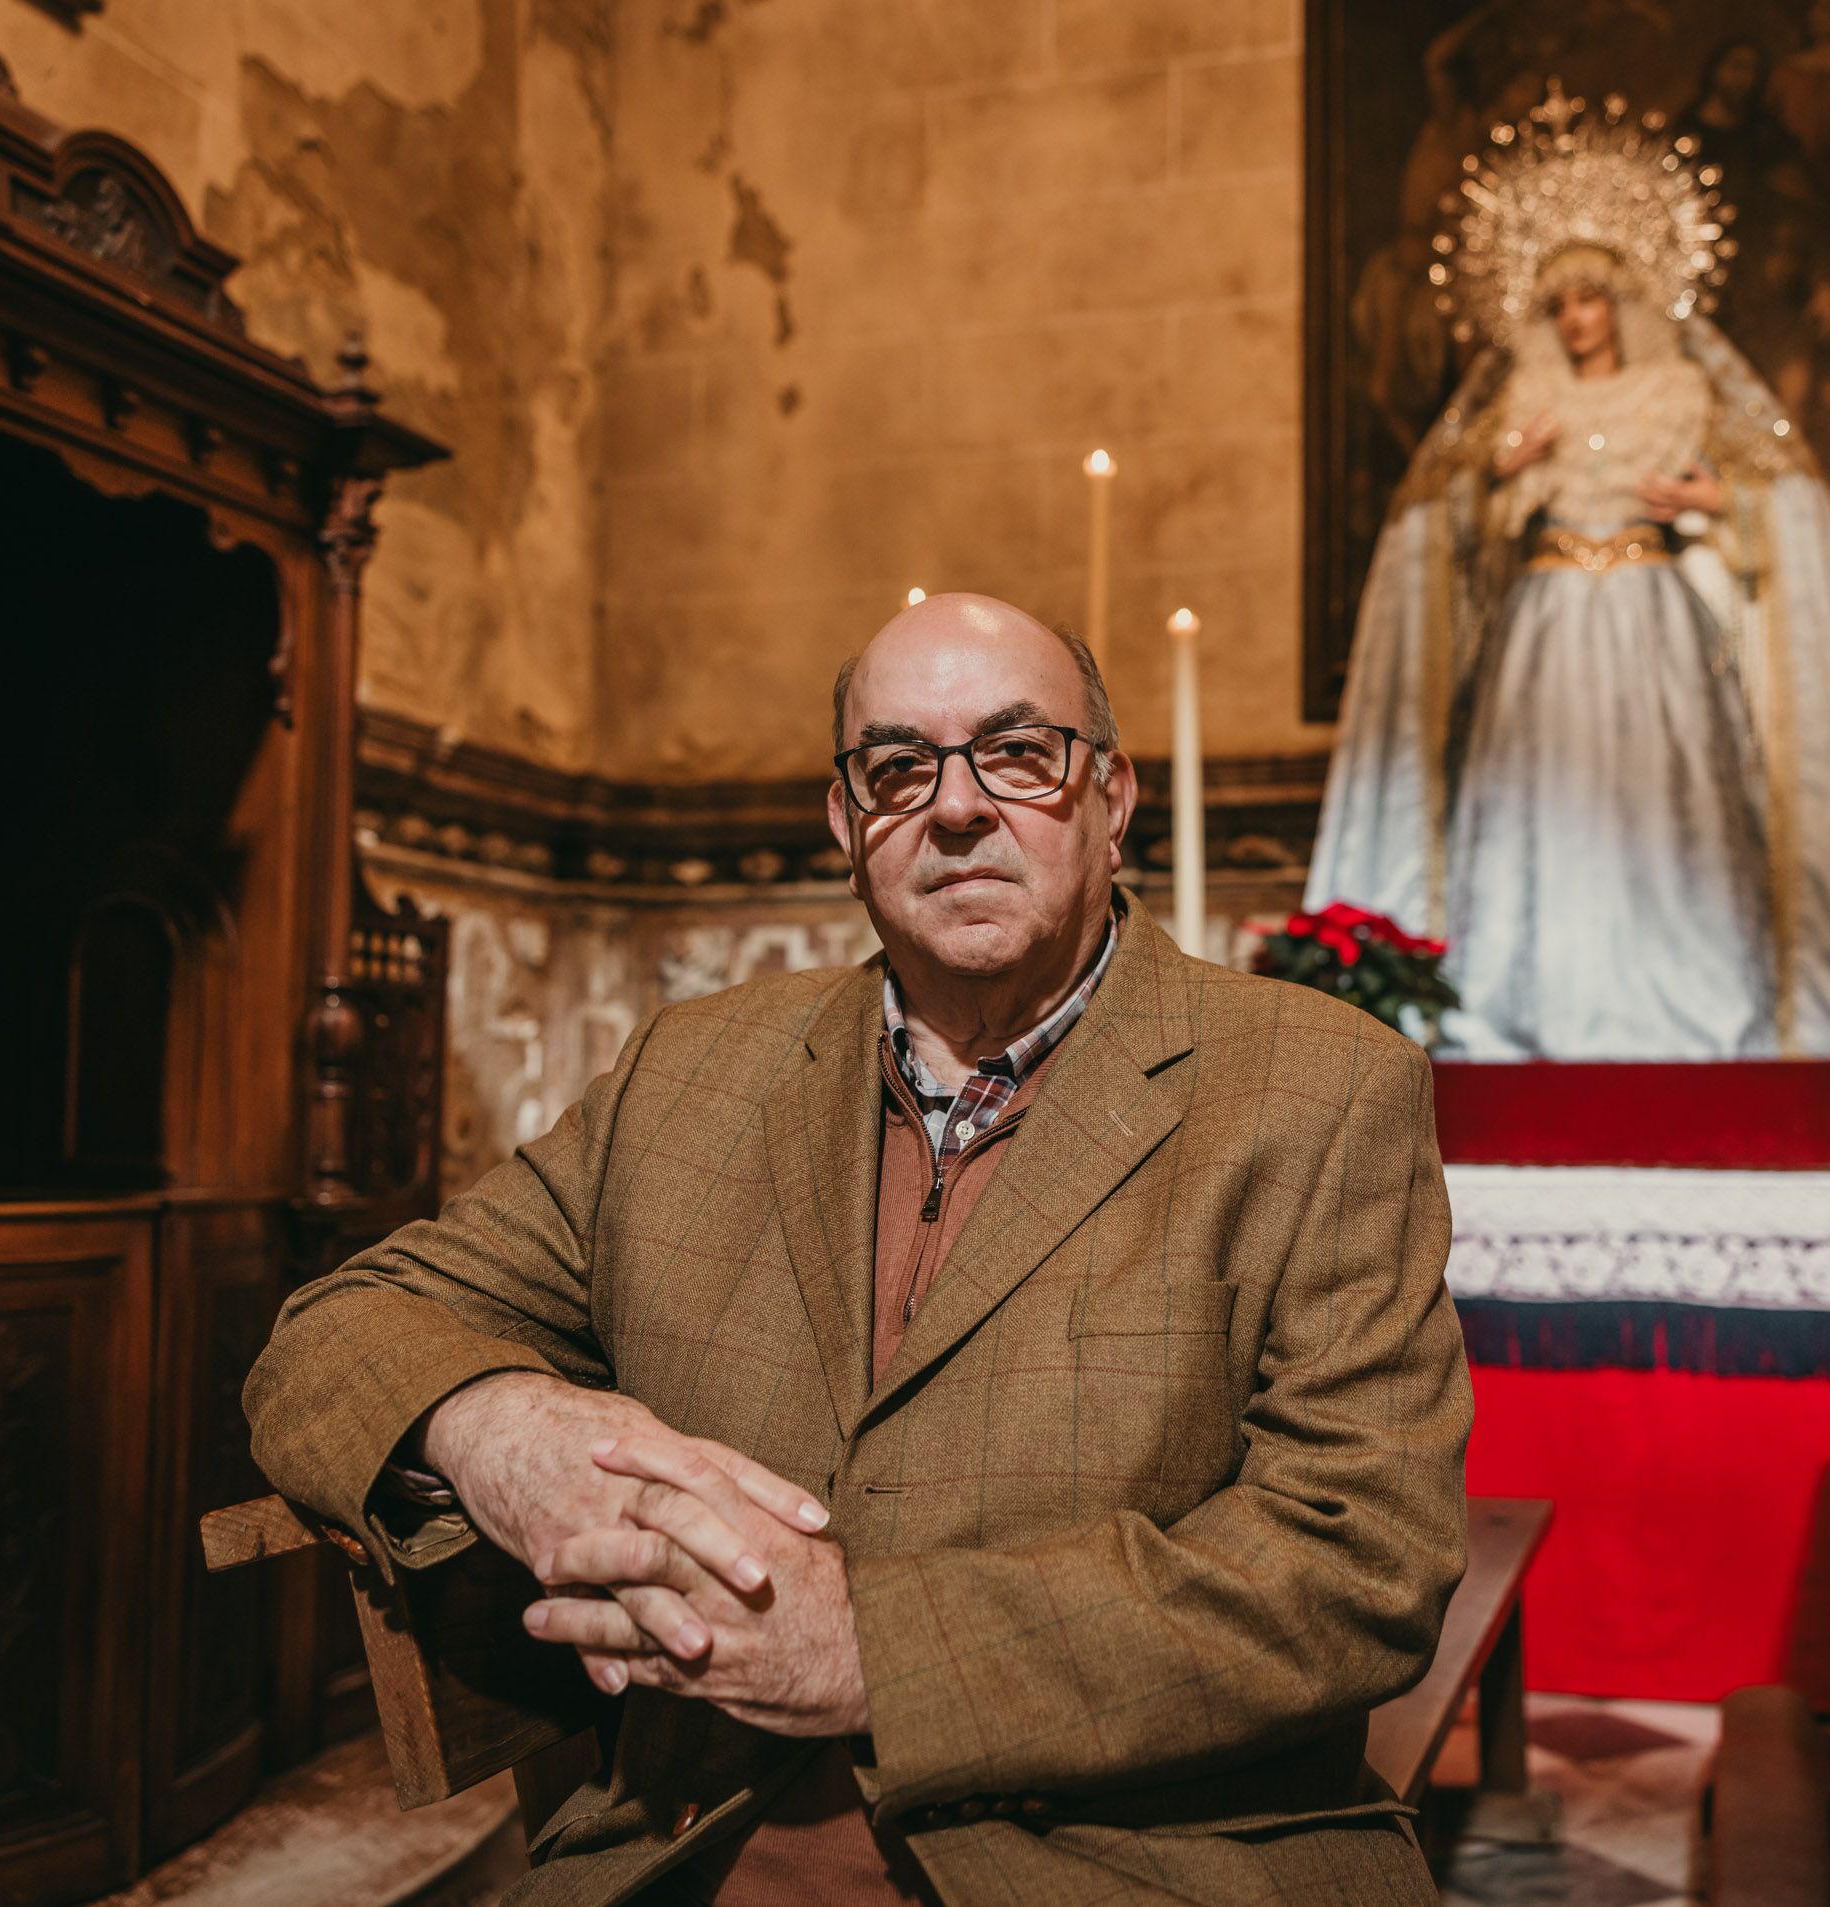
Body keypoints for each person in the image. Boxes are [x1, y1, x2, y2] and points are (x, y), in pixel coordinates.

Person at [244, 594, 1473, 1905]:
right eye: (898, 766)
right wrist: (498, 1428)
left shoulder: (1320, 1087)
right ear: (847, 826)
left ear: (1113, 798)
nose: (954, 808)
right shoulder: (691, 1074)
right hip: (692, 1839)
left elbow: (1362, 1563)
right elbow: (338, 1331)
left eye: (1017, 752)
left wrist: (870, 1647)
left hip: (1141, 1858)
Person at [1304, 83, 1830, 1194]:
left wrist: (1702, 505)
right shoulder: (1518, 401)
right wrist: (1494, 487)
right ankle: (1521, 1013)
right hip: (1543, 629)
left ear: (1627, 299)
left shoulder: (1681, 388)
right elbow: (1462, 537)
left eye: (1594, 296)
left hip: (1648, 622)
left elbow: (1761, 514)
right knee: (1541, 811)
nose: (1579, 317)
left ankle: (1677, 1008)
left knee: (1659, 811)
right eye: (1562, 301)